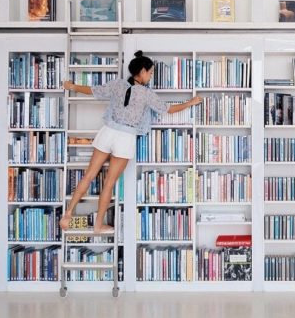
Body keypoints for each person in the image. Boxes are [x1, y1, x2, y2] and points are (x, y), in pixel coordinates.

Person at [59, 50, 203, 233]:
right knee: (109, 183)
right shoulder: (146, 93)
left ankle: (68, 212)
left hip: (107, 131)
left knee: (89, 175)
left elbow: (93, 91)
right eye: (150, 73)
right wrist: (191, 102)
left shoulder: (117, 85)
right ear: (142, 71)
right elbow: (169, 109)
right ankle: (98, 225)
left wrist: (72, 87)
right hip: (125, 138)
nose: (150, 77)